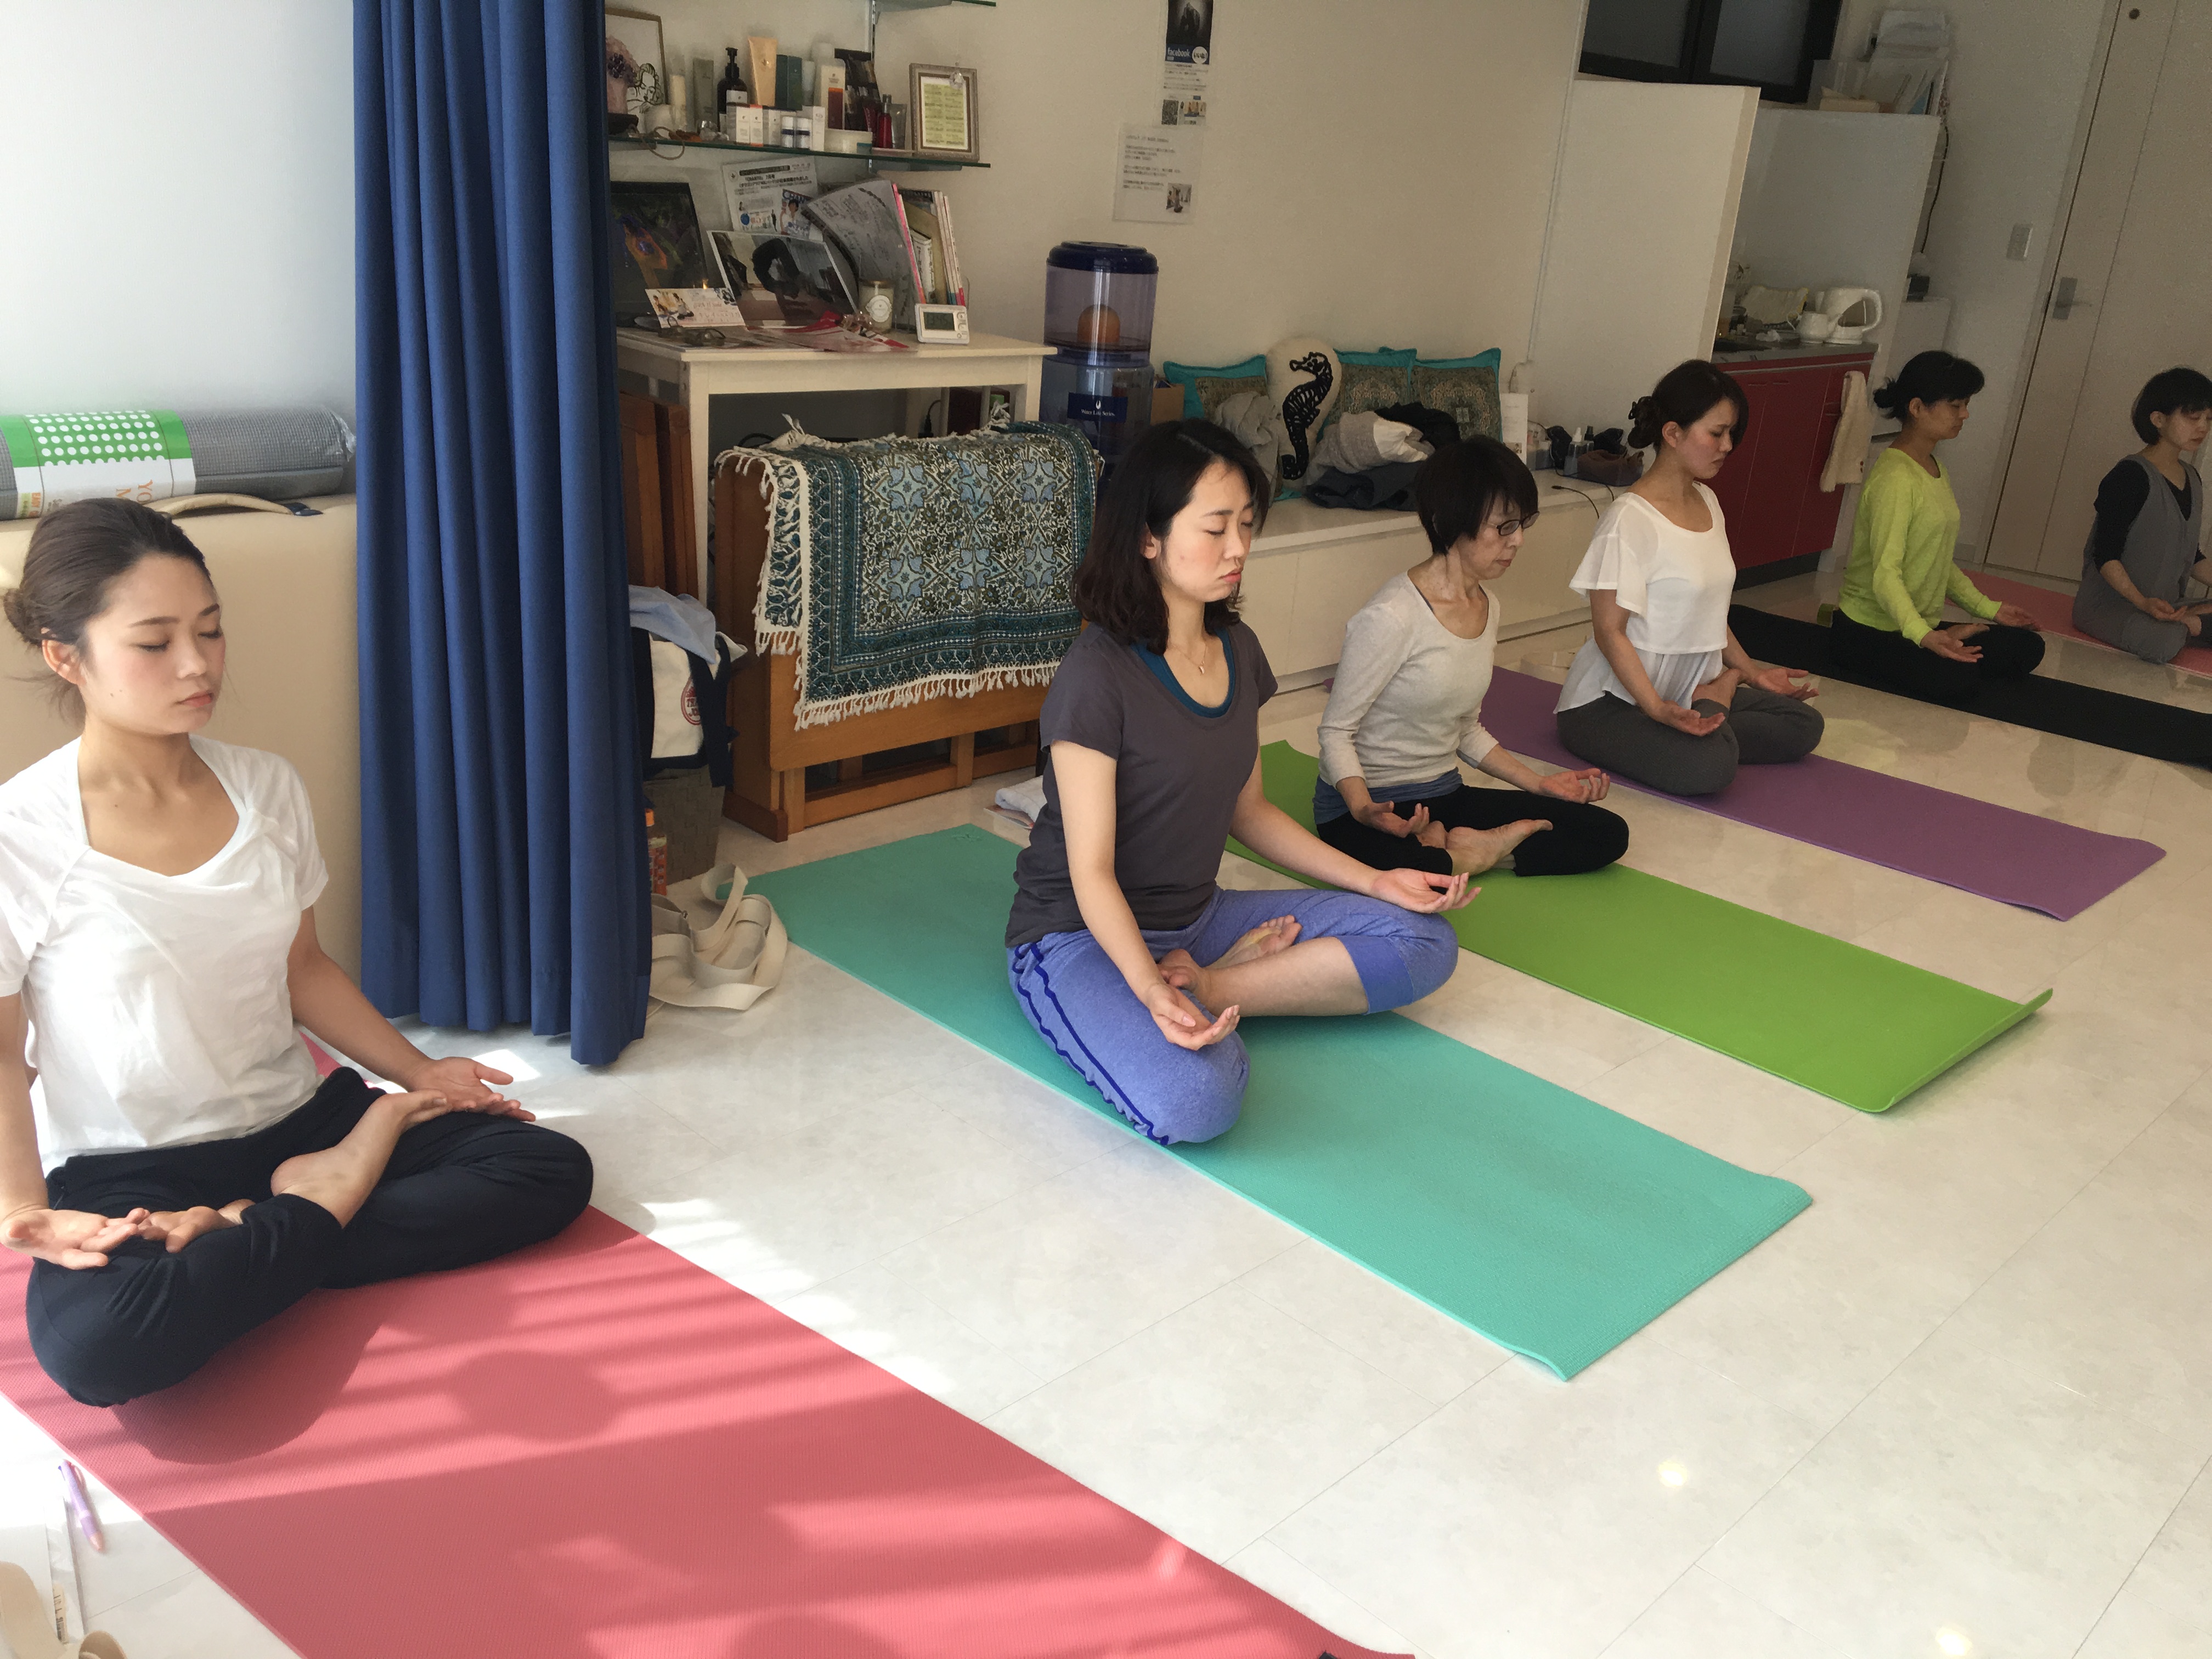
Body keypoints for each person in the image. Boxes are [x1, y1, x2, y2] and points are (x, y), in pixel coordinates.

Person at [2, 500, 592, 1409]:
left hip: (302, 1119)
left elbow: (303, 967)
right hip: (134, 1164)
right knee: (97, 1347)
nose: (198, 664)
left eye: (210, 630)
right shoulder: (20, 833)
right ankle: (317, 1205)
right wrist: (21, 1207)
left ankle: (257, 1228)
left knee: (546, 1169)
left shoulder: (265, 786)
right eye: (155, 642)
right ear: (65, 657)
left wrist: (419, 1073)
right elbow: (6, 1051)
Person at [1005, 421, 1469, 1146]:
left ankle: (1215, 981)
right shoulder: (1096, 675)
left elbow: (1249, 811)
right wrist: (1148, 987)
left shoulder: (1238, 650)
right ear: (1148, 537)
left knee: (1424, 939)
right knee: (1197, 1101)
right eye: (1215, 527)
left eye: (1247, 525)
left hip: (1197, 917)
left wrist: (1375, 881)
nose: (1239, 548)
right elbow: (1090, 871)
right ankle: (1186, 988)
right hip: (1078, 935)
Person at [1316, 436, 1629, 878]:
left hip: (1444, 797)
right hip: (1368, 806)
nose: (1518, 540)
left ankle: (1467, 852)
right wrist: (1364, 807)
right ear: (1449, 522)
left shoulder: (1488, 606)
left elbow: (1466, 728)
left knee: (1607, 833)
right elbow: (1336, 732)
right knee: (1412, 876)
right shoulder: (1391, 616)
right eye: (1504, 527)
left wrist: (1541, 784)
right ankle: (1463, 855)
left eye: (1522, 524)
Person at [1553, 360, 1823, 795]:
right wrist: (1658, 709)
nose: (1727, 446)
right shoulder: (1629, 519)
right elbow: (1609, 633)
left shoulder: (1709, 502)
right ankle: (1716, 703)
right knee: (1709, 769)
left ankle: (1712, 710)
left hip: (1686, 689)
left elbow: (1708, 614)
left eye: (1732, 433)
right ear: (1673, 433)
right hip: (1613, 704)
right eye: (1717, 433)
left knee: (1802, 724)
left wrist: (1753, 673)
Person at [1832, 351, 2045, 702]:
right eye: (1956, 405)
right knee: (1958, 679)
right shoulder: (1894, 479)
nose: (1965, 415)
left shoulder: (1933, 467)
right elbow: (1885, 574)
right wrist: (1926, 636)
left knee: (2026, 646)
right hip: (1869, 629)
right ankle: (1932, 646)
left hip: (1915, 626)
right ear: (1917, 408)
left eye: (1966, 405)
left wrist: (1990, 609)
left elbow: (1938, 561)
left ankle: (1940, 643)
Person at [2070, 366, 2212, 663]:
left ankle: (2190, 622)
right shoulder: (2129, 476)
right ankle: (2192, 625)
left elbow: (2191, 555)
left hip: (2166, 606)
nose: (2203, 427)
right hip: (2113, 608)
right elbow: (2105, 554)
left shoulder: (2192, 477)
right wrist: (2144, 603)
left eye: (2208, 419)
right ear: (2158, 419)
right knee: (2163, 643)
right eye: (2193, 417)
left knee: (2170, 628)